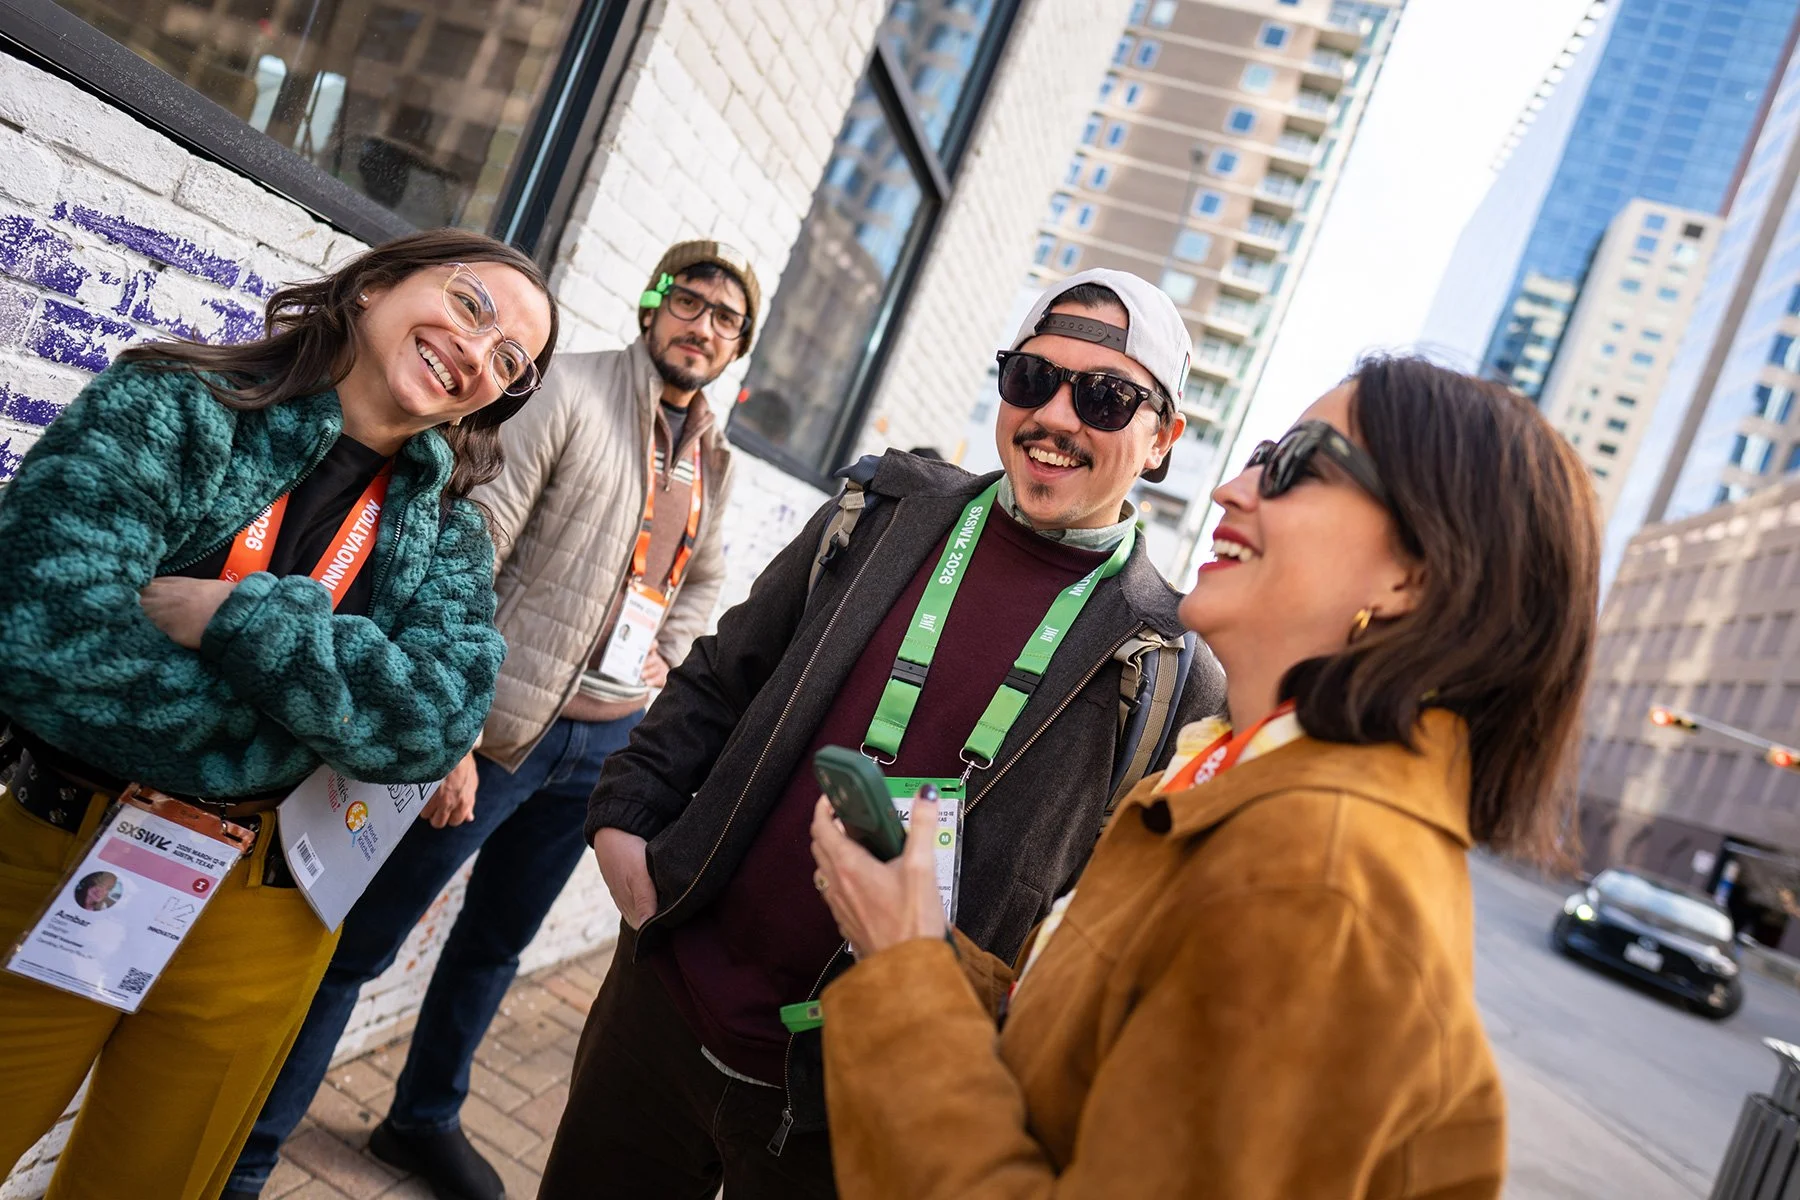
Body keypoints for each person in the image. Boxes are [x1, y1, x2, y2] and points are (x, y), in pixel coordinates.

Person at [808, 356, 1600, 1198]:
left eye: (1297, 465)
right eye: (1260, 452)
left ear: (1417, 574)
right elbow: (1095, 1059)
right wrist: (931, 950)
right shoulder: (1236, 778)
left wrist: (902, 973)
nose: (1231, 488)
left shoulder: (1317, 883)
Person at [539, 268, 1228, 1197]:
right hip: (663, 1013)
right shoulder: (885, 511)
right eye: (1032, 378)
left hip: (854, 1106)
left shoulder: (1169, 668)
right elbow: (722, 672)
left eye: (1106, 397)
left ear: (1163, 439)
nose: (1056, 416)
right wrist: (623, 822)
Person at [0, 229, 557, 1200]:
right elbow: (42, 631)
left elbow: (436, 719)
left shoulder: (450, 535)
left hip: (269, 906)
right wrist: (314, 720)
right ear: (378, 283)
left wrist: (234, 619)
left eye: (511, 361)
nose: (480, 353)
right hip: (56, 851)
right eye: (472, 305)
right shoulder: (173, 401)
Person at [222, 240, 755, 1200]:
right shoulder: (573, 393)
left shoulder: (711, 454)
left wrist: (662, 656)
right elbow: (479, 553)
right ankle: (248, 1155)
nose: (703, 326)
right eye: (690, 301)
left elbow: (704, 573)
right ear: (652, 303)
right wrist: (456, 737)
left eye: (727, 320)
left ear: (737, 346)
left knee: (495, 945)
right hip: (496, 737)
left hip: (601, 743)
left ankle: (419, 1118)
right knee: (358, 941)